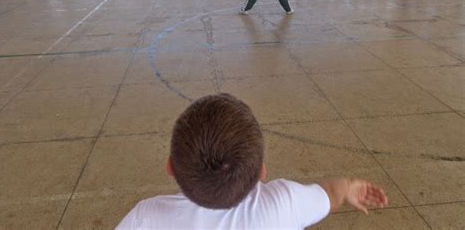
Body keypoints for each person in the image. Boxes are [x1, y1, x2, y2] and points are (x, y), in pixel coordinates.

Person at [117, 93, 388, 229]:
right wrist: (349, 187)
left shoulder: (146, 218)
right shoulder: (284, 204)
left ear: (170, 167)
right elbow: (330, 193)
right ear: (261, 172)